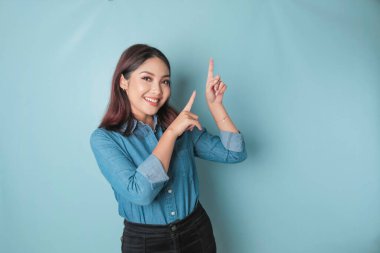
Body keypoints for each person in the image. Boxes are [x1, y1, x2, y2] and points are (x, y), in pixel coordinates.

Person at [90, 44, 247, 253]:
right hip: (146, 242)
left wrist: (215, 105)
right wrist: (171, 134)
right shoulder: (105, 139)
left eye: (165, 81)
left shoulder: (179, 123)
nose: (157, 90)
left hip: (196, 232)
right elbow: (140, 194)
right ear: (123, 82)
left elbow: (234, 153)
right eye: (147, 78)